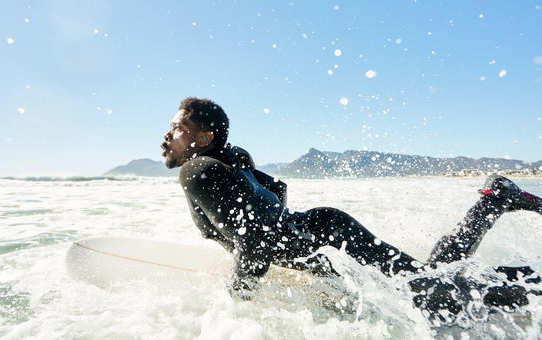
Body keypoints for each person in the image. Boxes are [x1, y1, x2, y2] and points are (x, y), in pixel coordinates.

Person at [161, 96, 542, 320]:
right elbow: (275, 191)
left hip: (327, 238)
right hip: (324, 231)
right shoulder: (232, 158)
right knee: (429, 279)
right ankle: (493, 203)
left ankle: (532, 280)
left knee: (435, 296)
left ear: (204, 138)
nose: (167, 134)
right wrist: (292, 241)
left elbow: (257, 240)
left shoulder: (198, 171)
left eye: (177, 128)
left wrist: (237, 308)